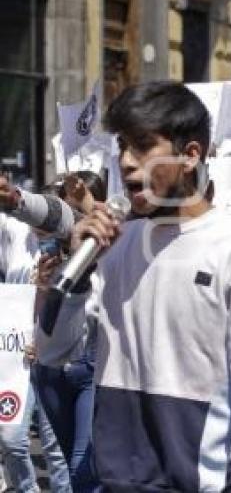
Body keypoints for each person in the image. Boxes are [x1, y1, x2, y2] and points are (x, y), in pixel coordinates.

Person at [36, 81, 231, 490]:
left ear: (191, 155)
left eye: (142, 146)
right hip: (114, 481)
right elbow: (53, 353)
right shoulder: (114, 247)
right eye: (121, 147)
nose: (127, 162)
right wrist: (75, 274)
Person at [32, 172, 107, 492]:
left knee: (81, 467)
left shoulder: (111, 252)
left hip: (90, 367)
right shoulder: (50, 252)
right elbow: (41, 319)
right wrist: (43, 288)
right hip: (51, 372)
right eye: (68, 208)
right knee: (61, 459)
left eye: (80, 207)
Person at [0, 182, 72, 493]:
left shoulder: (72, 248)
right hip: (15, 359)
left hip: (53, 356)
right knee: (12, 439)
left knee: (55, 450)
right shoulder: (15, 235)